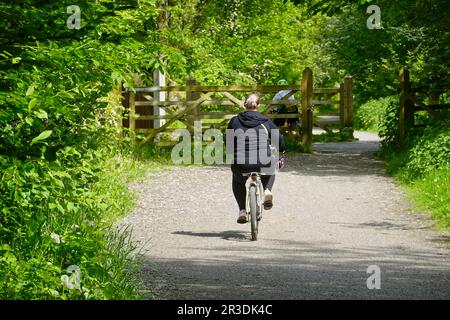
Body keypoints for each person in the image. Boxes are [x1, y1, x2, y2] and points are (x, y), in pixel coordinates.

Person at [226, 94, 286, 224]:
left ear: (244, 105)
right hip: (263, 160)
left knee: (238, 180)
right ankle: (267, 191)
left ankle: (242, 211)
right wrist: (281, 150)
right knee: (271, 168)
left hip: (241, 162)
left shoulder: (235, 121)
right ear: (258, 105)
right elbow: (278, 139)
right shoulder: (265, 121)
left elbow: (229, 143)